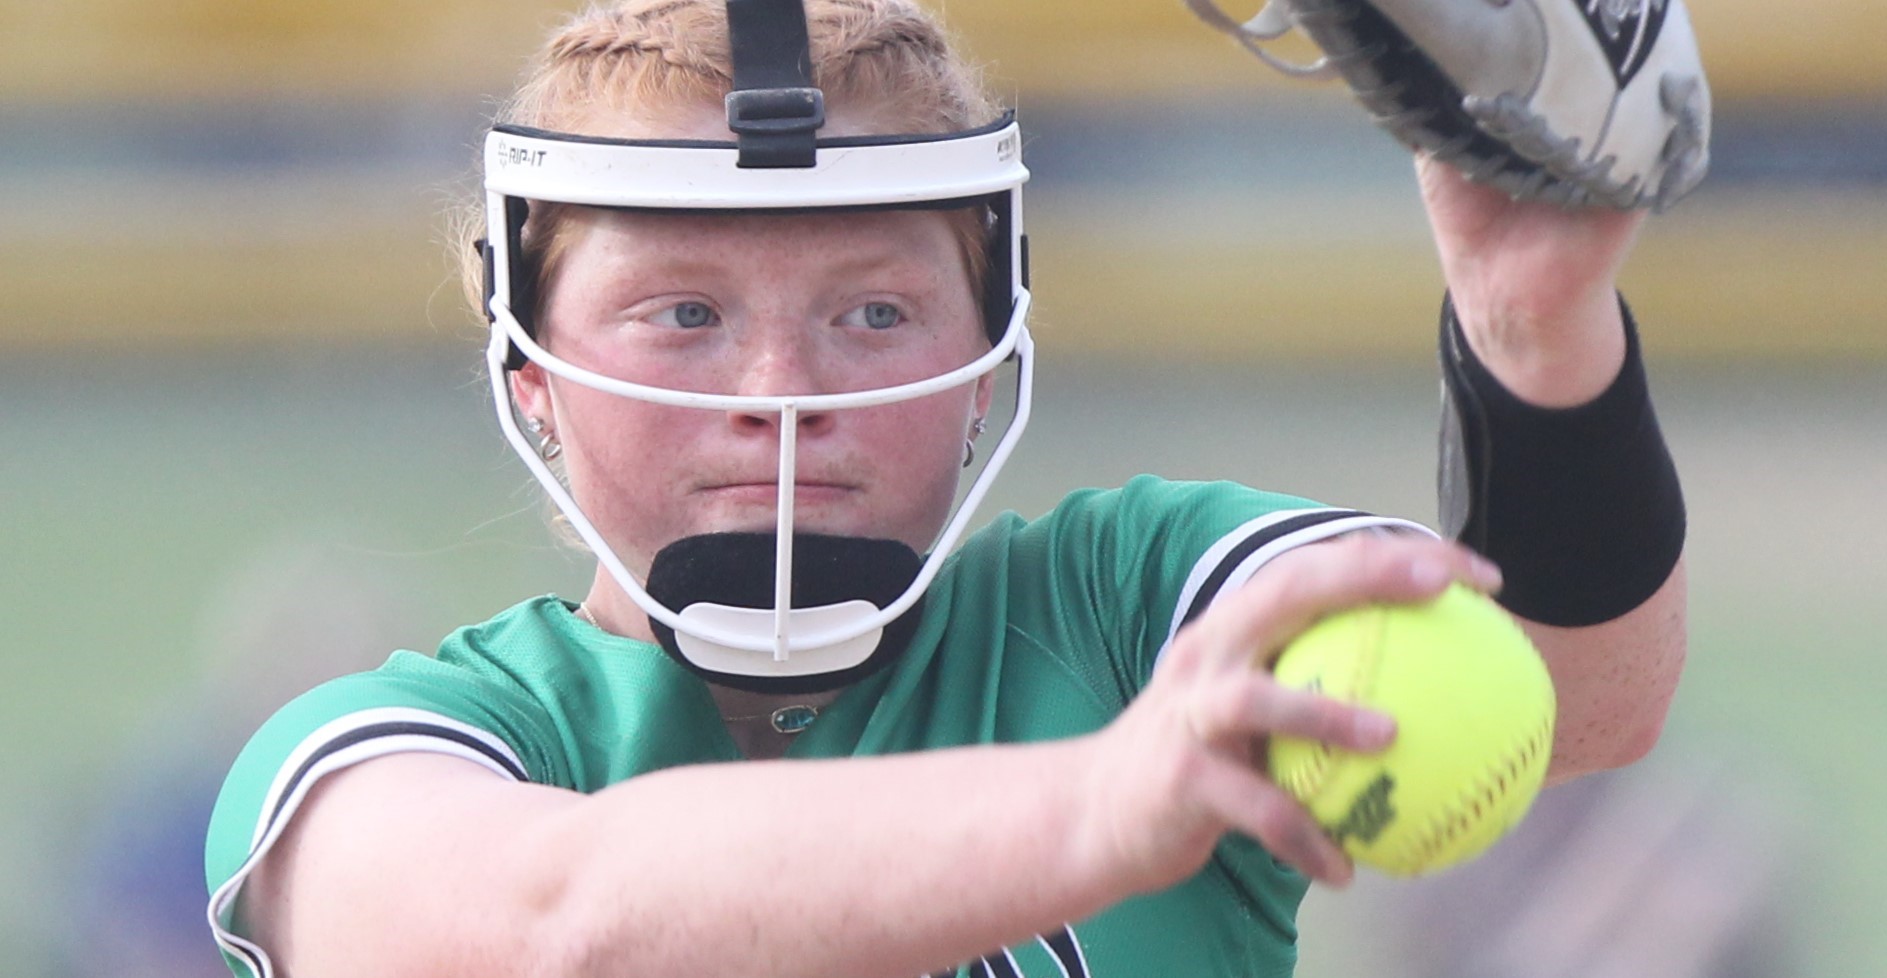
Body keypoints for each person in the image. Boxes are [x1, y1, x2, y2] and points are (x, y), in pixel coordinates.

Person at [203, 1, 1688, 976]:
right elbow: (554, 927)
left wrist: (1535, 332)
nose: (781, 396)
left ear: (987, 355)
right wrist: (1105, 801)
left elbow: (1580, 701)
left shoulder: (1125, 612)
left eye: (873, 314)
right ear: (531, 367)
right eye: (684, 314)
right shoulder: (386, 750)